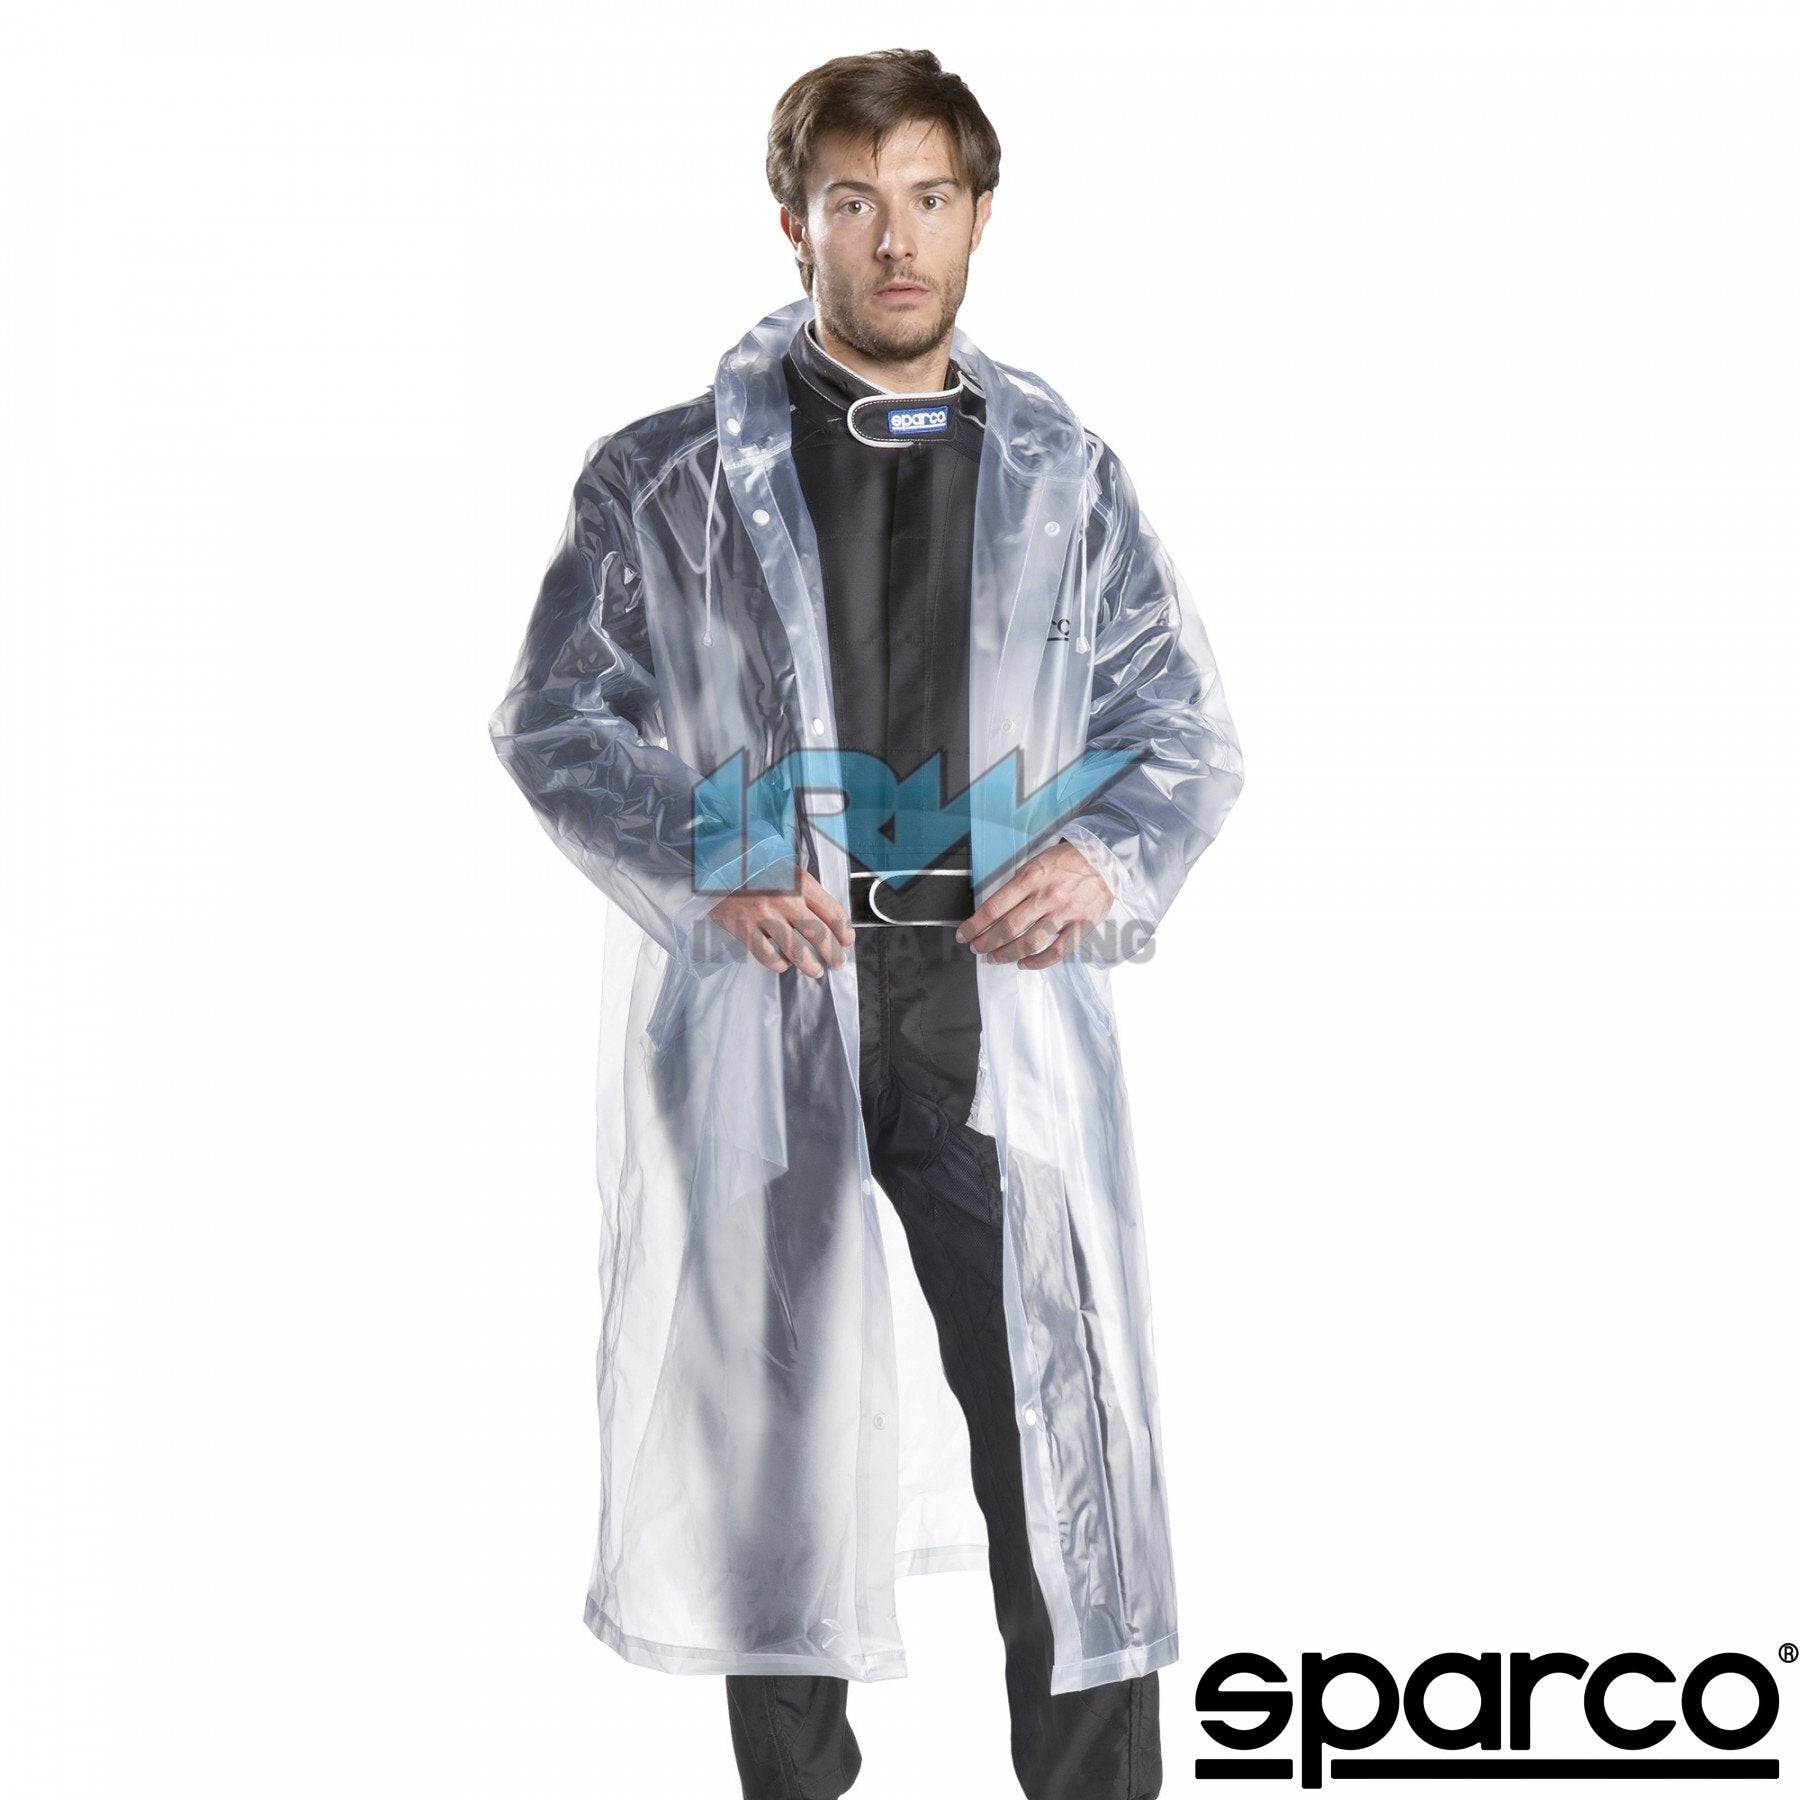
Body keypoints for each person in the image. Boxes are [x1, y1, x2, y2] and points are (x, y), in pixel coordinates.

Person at [488, 48, 1243, 1800]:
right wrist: (717, 848)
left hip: (992, 1003)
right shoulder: (667, 477)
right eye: (854, 202)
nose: (895, 240)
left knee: (1063, 1436)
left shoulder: (1062, 474)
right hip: (778, 998)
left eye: (928, 198)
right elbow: (555, 716)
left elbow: (1178, 726)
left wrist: (1106, 854)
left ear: (978, 217)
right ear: (795, 224)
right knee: (780, 1445)